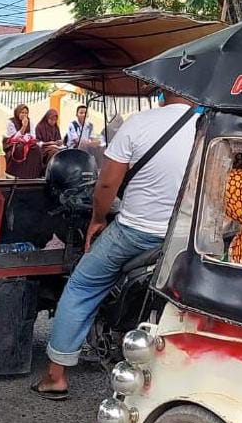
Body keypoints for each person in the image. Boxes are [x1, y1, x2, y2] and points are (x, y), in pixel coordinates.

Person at [32, 92, 198, 399]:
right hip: (185, 238)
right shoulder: (209, 126)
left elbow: (107, 184)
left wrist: (97, 219)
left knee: (82, 286)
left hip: (134, 233)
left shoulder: (139, 124)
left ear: (163, 89)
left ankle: (56, 376)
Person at [3, 103, 42, 179]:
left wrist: (27, 138)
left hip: (26, 142)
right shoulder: (11, 122)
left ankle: (32, 174)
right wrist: (24, 126)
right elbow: (14, 137)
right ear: (17, 113)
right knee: (20, 149)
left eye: (26, 113)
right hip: (13, 144)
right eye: (22, 112)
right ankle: (19, 174)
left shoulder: (30, 122)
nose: (24, 115)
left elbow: (33, 135)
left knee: (36, 148)